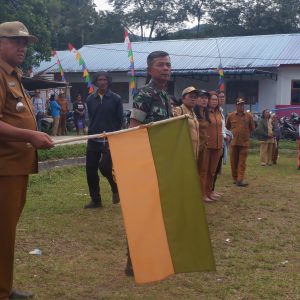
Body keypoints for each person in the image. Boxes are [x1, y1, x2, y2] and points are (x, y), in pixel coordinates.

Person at [0, 20, 54, 300]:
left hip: (14, 169)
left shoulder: (14, 75)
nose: (22, 47)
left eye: (25, 42)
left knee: (6, 235)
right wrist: (30, 136)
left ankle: (4, 288)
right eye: (15, 41)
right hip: (3, 170)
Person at [127, 50, 172, 276]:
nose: (165, 68)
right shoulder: (145, 94)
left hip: (163, 159)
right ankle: (133, 260)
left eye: (168, 65)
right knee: (142, 210)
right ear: (150, 69)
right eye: (161, 65)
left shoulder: (165, 96)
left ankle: (152, 253)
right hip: (147, 159)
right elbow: (134, 127)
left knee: (158, 209)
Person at [84, 72, 123, 209]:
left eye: (104, 80)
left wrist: (115, 134)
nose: (102, 82)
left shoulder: (116, 99)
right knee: (90, 170)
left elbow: (120, 120)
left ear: (108, 82)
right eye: (99, 80)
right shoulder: (90, 99)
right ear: (96, 82)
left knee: (105, 168)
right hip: (93, 138)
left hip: (109, 139)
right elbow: (89, 117)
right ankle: (96, 200)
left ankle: (115, 188)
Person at [226, 98, 255, 187]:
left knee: (242, 162)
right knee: (233, 162)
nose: (241, 106)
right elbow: (227, 127)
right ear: (236, 106)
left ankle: (240, 179)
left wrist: (245, 134)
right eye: (239, 105)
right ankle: (235, 178)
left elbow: (252, 128)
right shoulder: (231, 116)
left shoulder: (249, 116)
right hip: (234, 143)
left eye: (242, 105)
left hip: (244, 143)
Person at [202, 91, 223, 202]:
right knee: (204, 170)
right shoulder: (204, 112)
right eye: (212, 99)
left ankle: (210, 191)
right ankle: (203, 193)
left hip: (218, 145)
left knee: (212, 171)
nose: (215, 101)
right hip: (207, 145)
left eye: (216, 99)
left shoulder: (218, 112)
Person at [173, 87, 199, 159]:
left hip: (194, 152)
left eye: (195, 97)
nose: (193, 99)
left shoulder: (193, 113)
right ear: (183, 98)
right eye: (190, 96)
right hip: (183, 152)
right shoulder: (178, 110)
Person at [195, 90, 210, 200]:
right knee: (194, 171)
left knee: (203, 171)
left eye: (206, 98)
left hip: (204, 145)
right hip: (195, 146)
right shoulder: (193, 113)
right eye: (202, 97)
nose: (205, 100)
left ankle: (202, 194)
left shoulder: (206, 113)